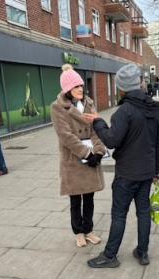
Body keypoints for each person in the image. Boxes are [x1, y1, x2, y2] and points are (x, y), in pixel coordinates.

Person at [83, 63, 159, 268]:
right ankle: (143, 252)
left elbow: (111, 140)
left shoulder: (124, 111)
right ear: (139, 83)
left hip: (126, 175)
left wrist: (98, 122)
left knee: (119, 214)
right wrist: (155, 171)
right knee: (143, 213)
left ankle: (110, 255)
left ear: (121, 88)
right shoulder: (155, 110)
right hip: (146, 173)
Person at [50, 64, 107, 248]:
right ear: (67, 89)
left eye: (81, 85)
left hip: (91, 157)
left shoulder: (89, 103)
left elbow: (96, 128)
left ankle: (89, 230)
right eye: (76, 86)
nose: (80, 89)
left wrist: (98, 151)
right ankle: (78, 233)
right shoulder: (58, 107)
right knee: (75, 199)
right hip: (73, 160)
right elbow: (65, 135)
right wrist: (85, 153)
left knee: (89, 198)